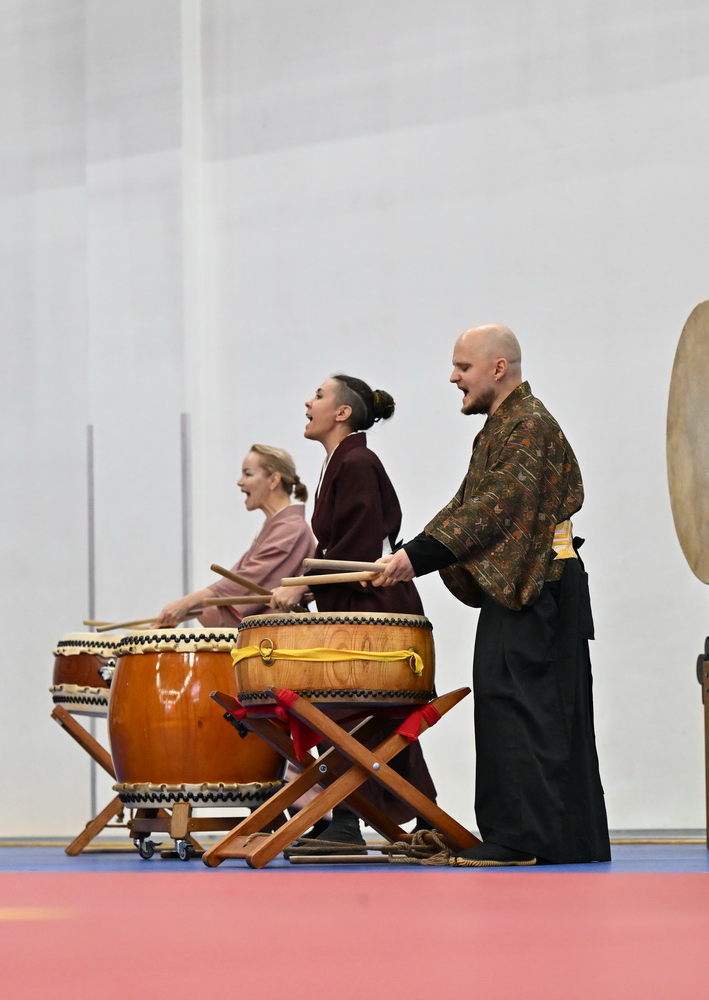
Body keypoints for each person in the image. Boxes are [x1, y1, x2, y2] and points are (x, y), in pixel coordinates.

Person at [374, 324, 609, 867]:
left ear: (497, 368)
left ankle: (523, 839)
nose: (453, 377)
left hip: (540, 590)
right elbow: (466, 503)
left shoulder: (528, 425)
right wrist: (413, 552)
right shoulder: (506, 427)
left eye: (463, 367)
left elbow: (496, 505)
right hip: (536, 590)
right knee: (527, 709)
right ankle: (558, 840)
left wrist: (420, 556)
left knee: (526, 712)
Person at [268, 374, 439, 849]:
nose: (308, 401)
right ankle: (418, 820)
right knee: (374, 721)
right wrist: (306, 588)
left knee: (348, 711)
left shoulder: (358, 460)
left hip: (378, 610)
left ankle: (346, 819)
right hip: (360, 608)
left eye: (318, 396)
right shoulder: (341, 462)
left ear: (343, 413)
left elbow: (361, 553)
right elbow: (345, 551)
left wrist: (301, 583)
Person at [152, 445, 315, 629]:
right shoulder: (279, 526)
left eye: (248, 474)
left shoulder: (290, 528)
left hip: (276, 643)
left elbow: (246, 580)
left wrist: (186, 604)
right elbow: (238, 580)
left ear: (273, 480)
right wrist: (184, 610)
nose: (240, 482)